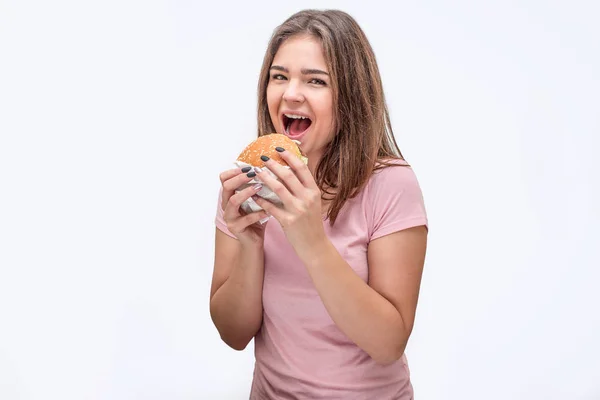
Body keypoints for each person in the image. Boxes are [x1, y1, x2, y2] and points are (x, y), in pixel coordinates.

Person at [210, 9, 428, 399]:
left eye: (316, 81)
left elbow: (388, 343)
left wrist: (310, 241)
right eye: (279, 76)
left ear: (351, 96)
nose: (291, 93)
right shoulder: (250, 182)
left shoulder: (391, 184)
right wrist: (250, 244)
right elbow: (234, 334)